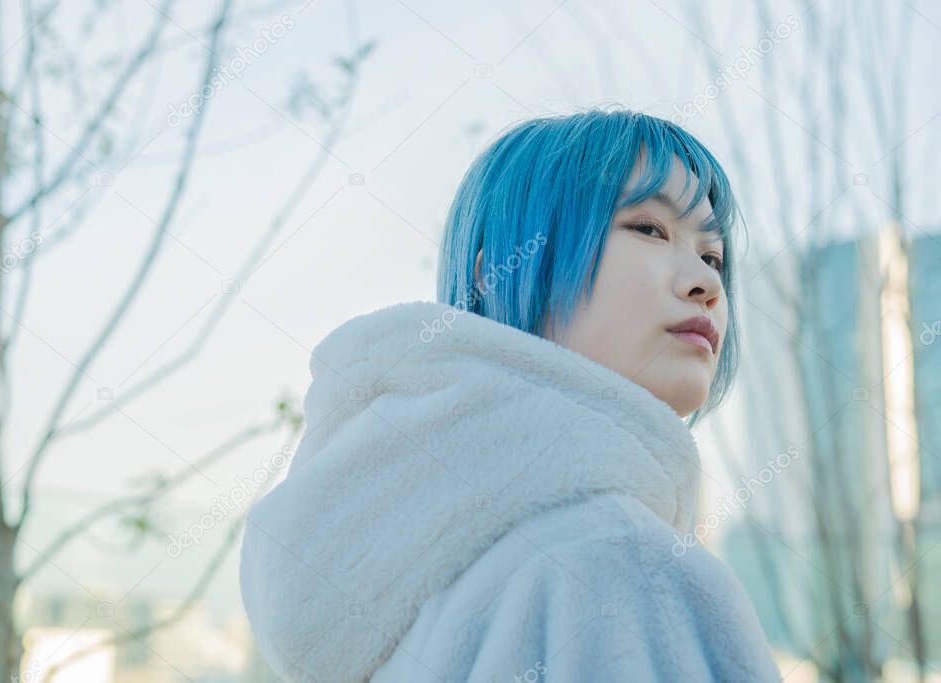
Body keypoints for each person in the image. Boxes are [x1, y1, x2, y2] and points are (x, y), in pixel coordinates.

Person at [239, 107, 783, 682]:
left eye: (713, 255)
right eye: (649, 229)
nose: (707, 284)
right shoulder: (620, 562)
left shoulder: (387, 602)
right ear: (492, 272)